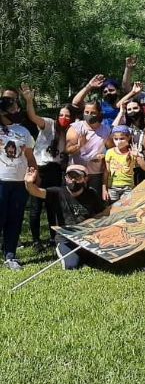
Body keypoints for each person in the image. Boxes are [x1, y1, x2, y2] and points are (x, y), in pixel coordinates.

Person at [24, 165, 105, 270]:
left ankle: (85, 255)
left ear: (85, 179)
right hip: (66, 239)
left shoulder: (91, 194)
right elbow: (36, 192)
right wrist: (29, 183)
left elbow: (102, 215)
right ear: (65, 178)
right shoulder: (57, 193)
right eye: (70, 177)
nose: (73, 180)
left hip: (87, 237)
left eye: (77, 177)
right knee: (71, 265)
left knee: (98, 261)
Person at [22, 85, 73, 250]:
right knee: (36, 206)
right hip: (40, 168)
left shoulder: (69, 132)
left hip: (55, 170)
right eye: (61, 115)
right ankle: (36, 240)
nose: (64, 118)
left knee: (53, 205)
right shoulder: (49, 124)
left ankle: (53, 237)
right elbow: (33, 116)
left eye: (67, 115)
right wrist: (29, 100)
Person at [0, 89, 37, 270]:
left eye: (17, 106)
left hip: (19, 183)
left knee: (15, 219)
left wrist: (35, 174)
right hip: (1, 181)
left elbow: (29, 156)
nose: (16, 110)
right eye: (12, 107)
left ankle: (10, 255)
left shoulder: (23, 131)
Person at [66, 99, 112, 194]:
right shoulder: (75, 128)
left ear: (99, 113)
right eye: (86, 112)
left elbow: (112, 150)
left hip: (96, 174)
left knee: (94, 199)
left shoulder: (105, 130)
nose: (89, 115)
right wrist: (79, 145)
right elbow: (68, 150)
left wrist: (104, 155)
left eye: (93, 113)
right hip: (76, 172)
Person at [103, 125, 145, 203]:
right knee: (113, 207)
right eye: (116, 139)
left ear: (128, 137)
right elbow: (106, 172)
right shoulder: (110, 152)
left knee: (125, 206)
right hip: (112, 187)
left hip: (128, 188)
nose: (119, 141)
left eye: (122, 138)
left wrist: (137, 156)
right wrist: (104, 189)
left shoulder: (132, 152)